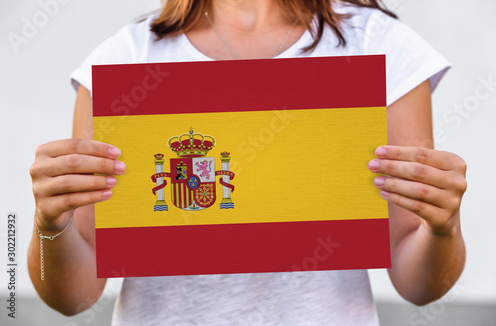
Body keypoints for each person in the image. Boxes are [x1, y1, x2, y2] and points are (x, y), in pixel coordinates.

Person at [28, 0, 467, 325]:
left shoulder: (381, 47)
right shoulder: (124, 59)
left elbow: (419, 286)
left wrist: (441, 226)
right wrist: (50, 224)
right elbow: (75, 298)